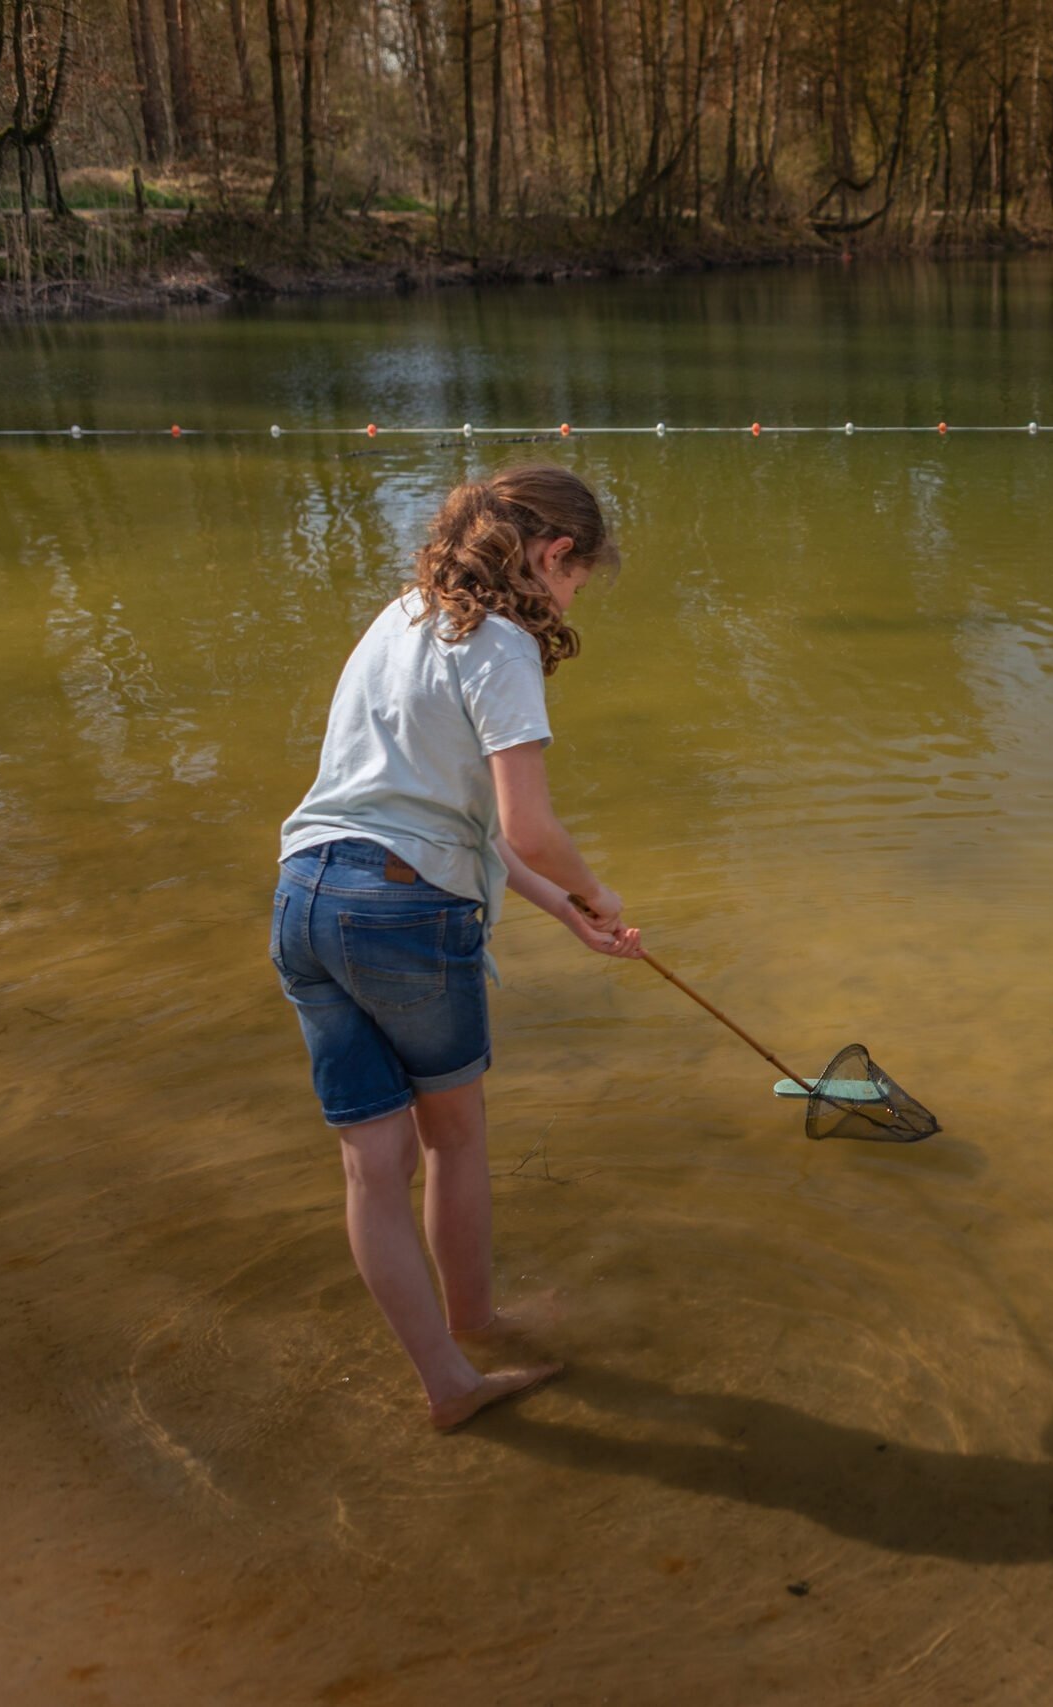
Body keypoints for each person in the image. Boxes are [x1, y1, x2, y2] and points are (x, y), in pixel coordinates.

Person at [271, 464, 645, 1430]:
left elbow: (434, 823)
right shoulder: (503, 643)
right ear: (552, 554)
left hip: (306, 896)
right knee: (454, 1137)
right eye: (575, 580)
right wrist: (596, 886)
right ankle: (474, 1321)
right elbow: (524, 826)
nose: (567, 598)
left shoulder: (402, 618)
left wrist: (565, 913)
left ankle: (449, 1378)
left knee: (371, 1160)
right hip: (402, 914)